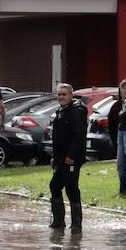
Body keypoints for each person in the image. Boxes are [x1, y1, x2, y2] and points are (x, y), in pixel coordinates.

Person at [48, 82, 88, 230]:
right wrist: (55, 157)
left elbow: (79, 136)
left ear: (71, 95)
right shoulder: (60, 111)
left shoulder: (77, 111)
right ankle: (59, 221)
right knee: (55, 185)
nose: (61, 97)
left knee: (72, 188)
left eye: (64, 94)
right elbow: (58, 137)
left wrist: (71, 155)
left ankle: (76, 224)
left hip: (72, 158)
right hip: (60, 158)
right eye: (59, 94)